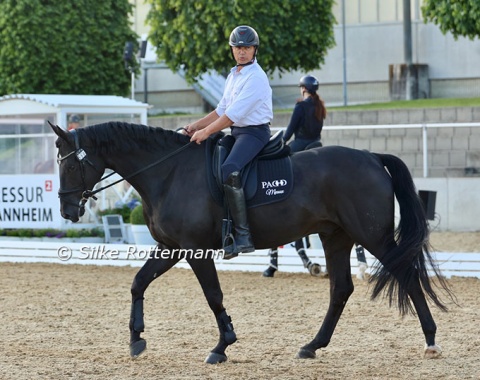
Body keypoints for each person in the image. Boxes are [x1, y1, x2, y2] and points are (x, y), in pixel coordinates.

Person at [184, 25, 273, 259]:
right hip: (237, 132)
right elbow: (221, 109)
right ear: (232, 50)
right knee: (213, 160)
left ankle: (242, 236)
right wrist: (195, 126)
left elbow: (233, 115)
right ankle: (222, 226)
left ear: (255, 50)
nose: (242, 52)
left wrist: (206, 133)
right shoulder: (234, 75)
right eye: (238, 48)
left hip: (254, 133)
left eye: (246, 48)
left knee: (230, 169)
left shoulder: (256, 77)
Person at [263, 74, 326, 277]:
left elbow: (289, 132)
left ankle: (273, 262)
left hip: (300, 146)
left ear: (303, 89)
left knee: (272, 168)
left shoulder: (301, 106)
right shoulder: (319, 107)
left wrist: (275, 143)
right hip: (316, 145)